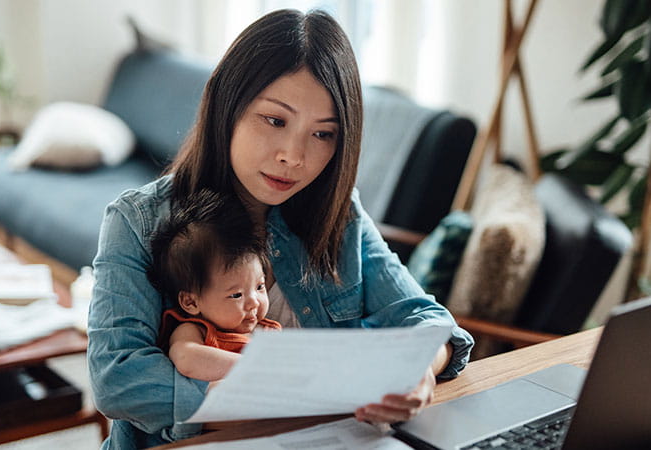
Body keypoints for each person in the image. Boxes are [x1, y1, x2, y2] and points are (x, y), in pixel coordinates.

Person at [87, 8, 474, 449]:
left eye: (323, 134)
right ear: (227, 107)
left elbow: (427, 322)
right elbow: (116, 378)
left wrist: (421, 369)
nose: (294, 156)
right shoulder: (136, 221)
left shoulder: (338, 213)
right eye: (275, 120)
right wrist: (271, 399)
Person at [148, 189, 282, 383]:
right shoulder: (195, 330)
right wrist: (257, 367)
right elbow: (187, 359)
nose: (254, 302)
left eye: (259, 287)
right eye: (236, 295)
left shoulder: (265, 330)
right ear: (191, 302)